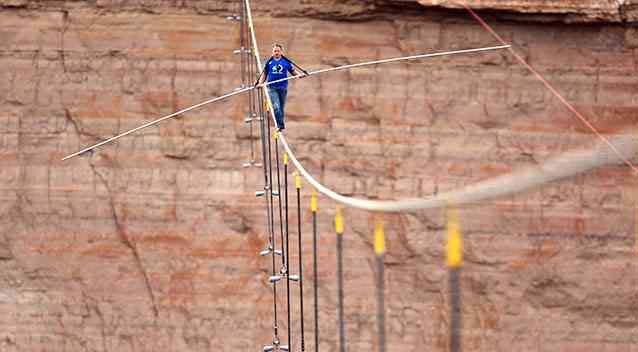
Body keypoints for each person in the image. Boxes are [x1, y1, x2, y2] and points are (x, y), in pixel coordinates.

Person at [258, 43, 306, 131]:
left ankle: (280, 124)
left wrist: (299, 75)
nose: (276, 52)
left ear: (281, 52)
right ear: (272, 52)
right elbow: (264, 74)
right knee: (276, 107)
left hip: (283, 87)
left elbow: (293, 71)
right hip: (272, 87)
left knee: (281, 108)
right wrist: (260, 83)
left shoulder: (286, 62)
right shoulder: (269, 62)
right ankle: (280, 126)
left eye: (278, 51)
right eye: (275, 51)